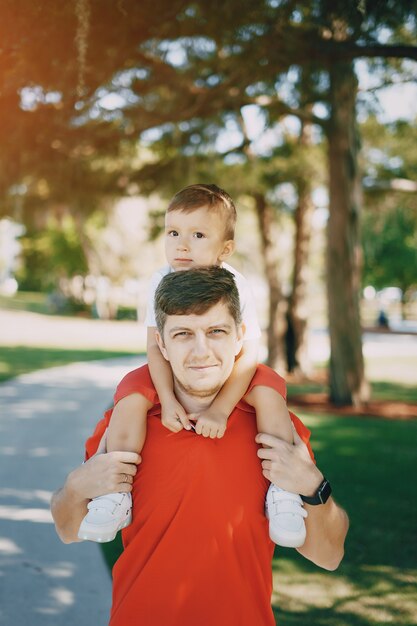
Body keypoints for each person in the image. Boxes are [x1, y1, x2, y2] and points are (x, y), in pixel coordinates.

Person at [51, 267, 349, 626]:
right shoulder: (127, 422)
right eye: (183, 334)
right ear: (161, 344)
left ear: (240, 337)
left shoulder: (275, 428)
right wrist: (76, 486)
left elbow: (329, 555)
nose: (201, 350)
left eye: (216, 331)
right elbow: (68, 530)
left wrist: (314, 487)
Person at [77, 183, 307, 548]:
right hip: (169, 368)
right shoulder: (158, 281)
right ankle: (115, 492)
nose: (182, 244)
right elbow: (156, 347)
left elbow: (248, 353)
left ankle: (284, 492)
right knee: (133, 391)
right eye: (173, 233)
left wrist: (220, 409)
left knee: (268, 389)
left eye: (198, 234)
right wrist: (167, 400)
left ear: (225, 248)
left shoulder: (236, 284)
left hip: (235, 370)